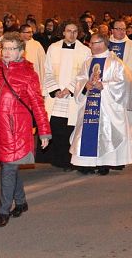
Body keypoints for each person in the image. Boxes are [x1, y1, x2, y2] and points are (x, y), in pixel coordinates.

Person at [0, 33, 51, 227]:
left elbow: (38, 104)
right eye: (4, 48)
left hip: (16, 130)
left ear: (21, 52)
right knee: (10, 167)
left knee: (7, 169)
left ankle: (3, 211)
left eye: (11, 48)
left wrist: (44, 131)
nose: (6, 52)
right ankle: (21, 202)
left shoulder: (28, 74)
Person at [70, 33, 132, 175]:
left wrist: (105, 86)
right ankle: (87, 163)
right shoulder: (88, 62)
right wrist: (86, 85)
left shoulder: (115, 62)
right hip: (90, 104)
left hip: (107, 105)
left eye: (93, 43)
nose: (90, 46)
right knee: (86, 131)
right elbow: (80, 79)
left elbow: (123, 83)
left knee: (106, 131)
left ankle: (105, 162)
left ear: (103, 43)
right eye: (90, 43)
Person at [37, 20, 90, 169]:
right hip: (56, 96)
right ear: (63, 32)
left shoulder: (85, 50)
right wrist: (55, 90)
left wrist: (70, 89)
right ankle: (55, 159)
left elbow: (84, 74)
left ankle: (69, 160)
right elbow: (46, 71)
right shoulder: (53, 48)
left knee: (70, 128)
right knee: (55, 126)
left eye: (75, 31)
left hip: (72, 97)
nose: (72, 34)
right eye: (68, 31)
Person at [20, 24, 46, 89]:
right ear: (21, 33)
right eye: (28, 32)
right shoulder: (17, 44)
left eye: (32, 32)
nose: (31, 34)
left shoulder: (37, 44)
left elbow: (43, 62)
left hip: (33, 76)